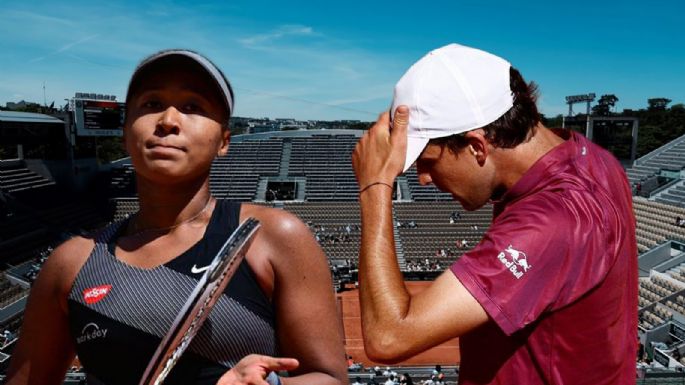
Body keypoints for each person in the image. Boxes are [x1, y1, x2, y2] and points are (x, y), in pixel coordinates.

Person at [7, 50, 347, 385]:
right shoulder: (69, 263)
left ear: (224, 141)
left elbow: (330, 378)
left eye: (192, 107)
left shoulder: (271, 236)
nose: (168, 120)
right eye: (152, 103)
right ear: (126, 132)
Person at [352, 43, 637, 384]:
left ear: (477, 146)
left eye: (427, 163)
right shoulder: (593, 159)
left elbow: (388, 337)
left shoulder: (555, 219)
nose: (424, 180)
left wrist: (375, 185)